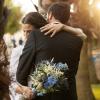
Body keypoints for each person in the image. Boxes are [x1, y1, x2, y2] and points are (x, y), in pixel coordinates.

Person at [17, 2, 83, 100]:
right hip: (68, 96)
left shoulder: (36, 35)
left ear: (50, 15)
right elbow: (73, 71)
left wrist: (25, 88)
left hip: (42, 97)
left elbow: (21, 72)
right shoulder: (77, 40)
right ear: (68, 18)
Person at [9, 12, 47, 100]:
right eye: (24, 32)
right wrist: (23, 90)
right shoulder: (17, 51)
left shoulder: (46, 50)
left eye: (29, 32)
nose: (26, 36)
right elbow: (11, 82)